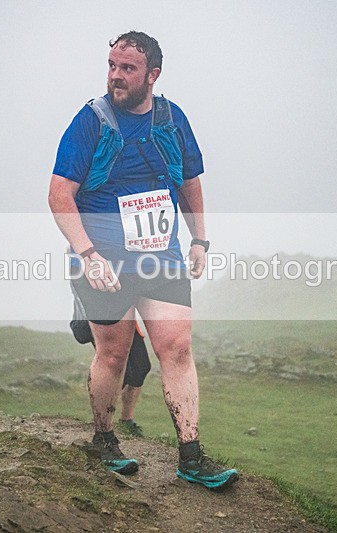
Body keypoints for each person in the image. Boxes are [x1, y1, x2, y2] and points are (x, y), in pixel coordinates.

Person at [48, 30, 238, 489]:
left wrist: (200, 240)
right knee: (113, 353)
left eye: (127, 68)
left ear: (152, 74)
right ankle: (105, 439)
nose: (116, 75)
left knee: (176, 348)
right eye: (112, 65)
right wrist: (88, 255)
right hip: (104, 262)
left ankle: (191, 455)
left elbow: (189, 182)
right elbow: (59, 194)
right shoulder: (90, 121)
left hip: (161, 259)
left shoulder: (172, 120)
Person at [70, 286, 149, 437]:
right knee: (115, 370)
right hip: (93, 317)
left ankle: (126, 420)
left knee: (141, 367)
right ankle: (104, 424)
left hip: (123, 316)